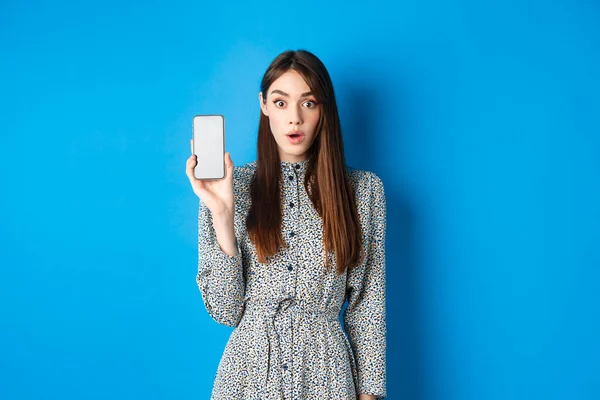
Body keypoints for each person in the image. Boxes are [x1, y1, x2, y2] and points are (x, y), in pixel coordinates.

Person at [185, 49, 387, 400]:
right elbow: (225, 310)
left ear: (324, 109)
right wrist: (222, 215)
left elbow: (368, 306)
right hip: (248, 377)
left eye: (308, 103)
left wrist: (369, 396)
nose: (294, 118)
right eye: (281, 103)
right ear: (263, 105)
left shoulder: (363, 192)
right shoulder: (229, 188)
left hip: (327, 375)